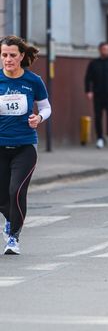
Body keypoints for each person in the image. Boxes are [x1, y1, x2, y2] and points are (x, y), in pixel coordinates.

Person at [0, 36, 51, 255]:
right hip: (0, 145)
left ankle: (14, 237)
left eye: (12, 55)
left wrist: (38, 118)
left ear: (21, 56)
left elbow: (46, 108)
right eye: (4, 55)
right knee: (2, 196)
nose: (8, 59)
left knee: (16, 191)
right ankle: (10, 220)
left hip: (25, 146)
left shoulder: (33, 80)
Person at [84, 42, 108, 149]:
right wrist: (88, 91)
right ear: (100, 50)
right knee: (98, 116)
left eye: (107, 49)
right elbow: (88, 78)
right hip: (98, 94)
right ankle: (100, 138)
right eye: (104, 49)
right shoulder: (94, 63)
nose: (106, 51)